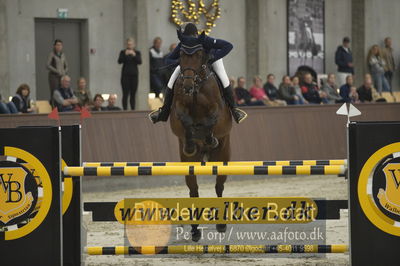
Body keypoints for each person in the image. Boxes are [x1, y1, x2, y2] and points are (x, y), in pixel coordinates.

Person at [149, 23, 247, 124]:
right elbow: (168, 60)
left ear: (197, 35)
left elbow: (228, 46)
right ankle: (164, 111)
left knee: (224, 79)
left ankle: (234, 109)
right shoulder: (183, 43)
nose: (190, 41)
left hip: (212, 60)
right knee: (171, 82)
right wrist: (179, 62)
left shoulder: (206, 40)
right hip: (189, 66)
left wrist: (213, 57)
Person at [118, 37, 142, 110]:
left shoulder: (137, 52)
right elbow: (119, 61)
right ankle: (125, 109)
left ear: (134, 45)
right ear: (126, 45)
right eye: (128, 44)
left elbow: (140, 62)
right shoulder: (123, 52)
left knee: (133, 94)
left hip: (134, 76)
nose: (129, 45)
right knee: (125, 94)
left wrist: (134, 55)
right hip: (125, 76)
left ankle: (133, 109)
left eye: (131, 44)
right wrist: (125, 54)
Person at [47, 39, 68, 104]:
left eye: (60, 45)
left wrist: (64, 71)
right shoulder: (52, 54)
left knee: (62, 91)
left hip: (62, 76)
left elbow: (66, 65)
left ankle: (61, 105)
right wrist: (56, 71)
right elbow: (47, 65)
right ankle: (54, 106)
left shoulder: (63, 54)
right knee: (55, 91)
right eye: (57, 45)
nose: (59, 46)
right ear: (54, 46)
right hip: (54, 76)